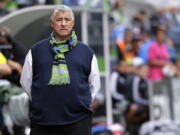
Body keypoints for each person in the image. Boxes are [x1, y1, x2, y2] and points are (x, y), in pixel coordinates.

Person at [20, 5, 100, 135]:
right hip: (43, 122)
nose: (63, 24)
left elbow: (94, 85)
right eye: (59, 19)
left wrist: (78, 102)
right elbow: (26, 82)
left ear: (73, 23)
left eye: (67, 20)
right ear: (52, 23)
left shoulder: (86, 52)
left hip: (78, 122)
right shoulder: (36, 51)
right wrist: (43, 101)